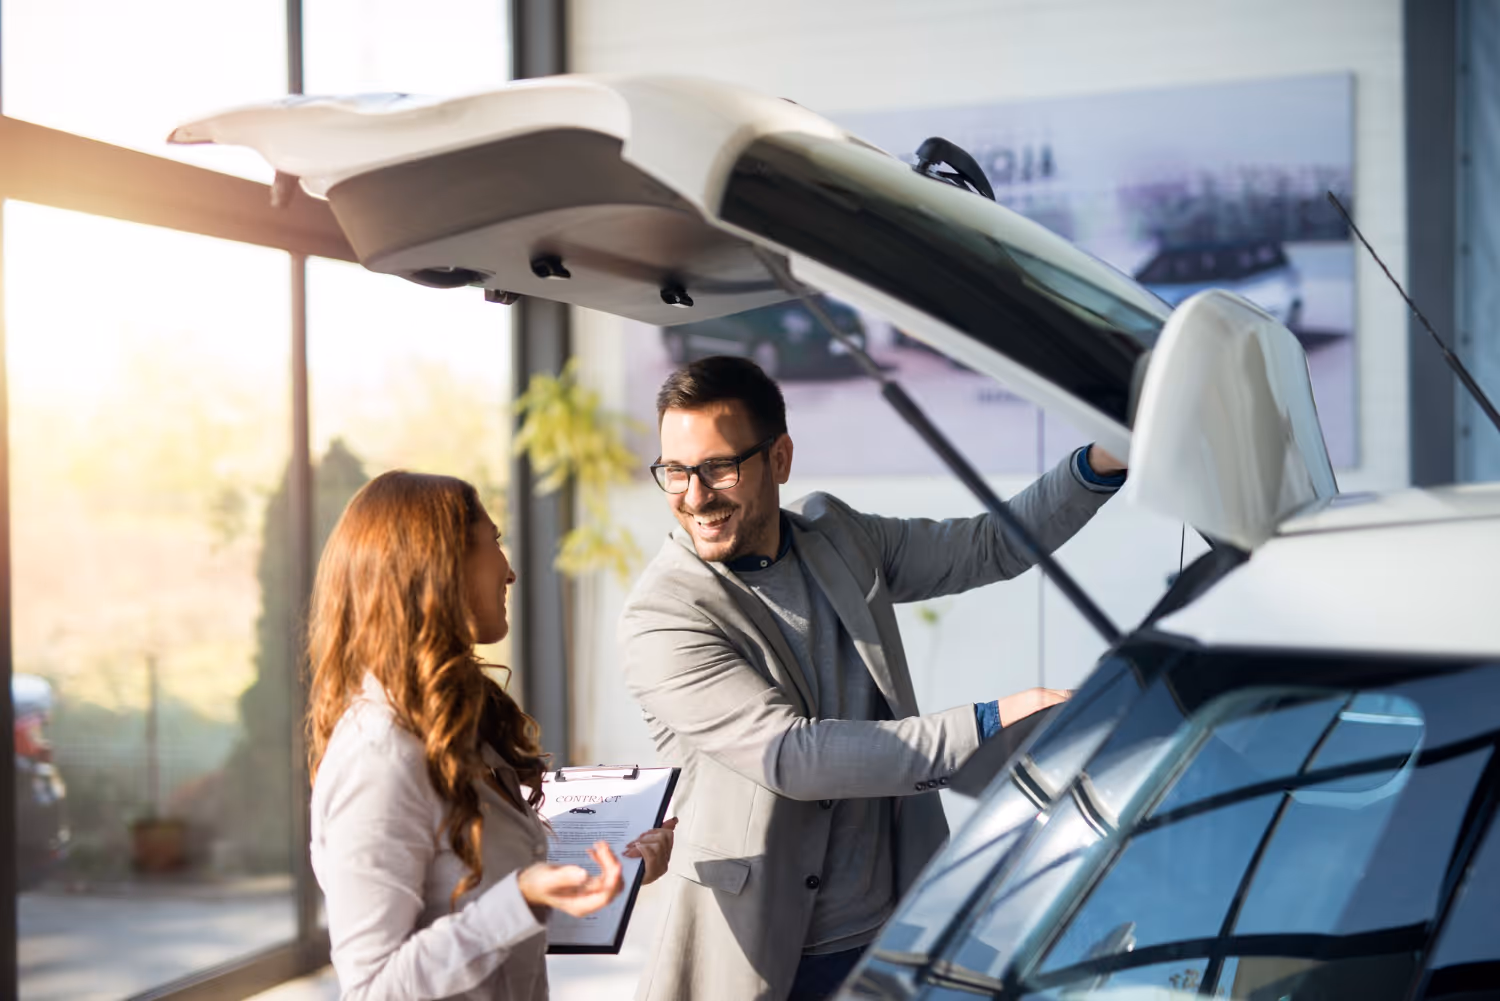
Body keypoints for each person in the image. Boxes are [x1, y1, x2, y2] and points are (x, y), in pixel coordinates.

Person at [620, 356, 1127, 1001]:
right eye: (676, 471)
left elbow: (989, 546)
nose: (695, 496)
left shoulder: (840, 536)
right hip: (759, 957)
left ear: (779, 460)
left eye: (718, 467)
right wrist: (989, 724)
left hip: (889, 936)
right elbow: (793, 755)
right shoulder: (663, 616)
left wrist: (1103, 462)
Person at [306, 471, 676, 1000]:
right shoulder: (379, 755)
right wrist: (520, 898)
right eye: (494, 542)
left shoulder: (460, 728)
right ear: (437, 568)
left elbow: (496, 934)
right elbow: (372, 988)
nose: (510, 571)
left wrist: (609, 883)